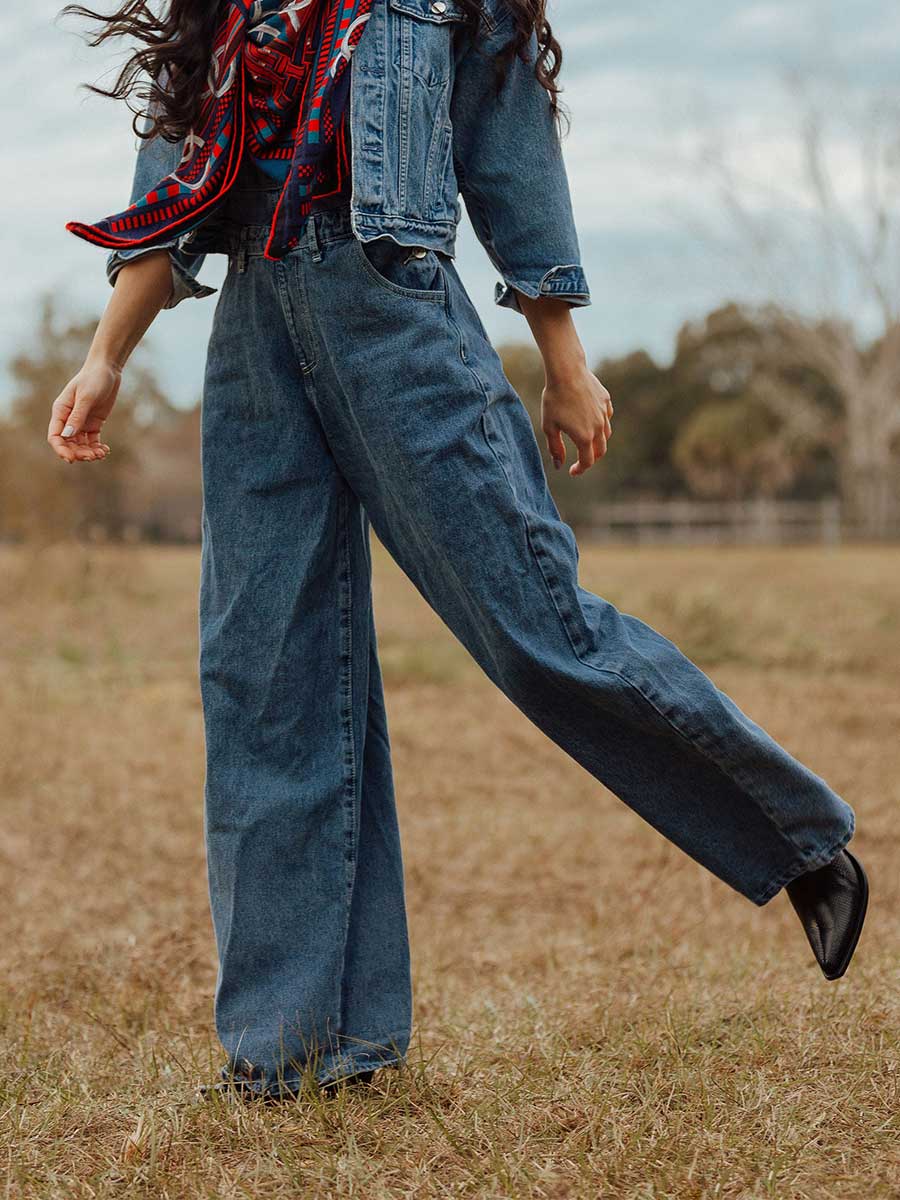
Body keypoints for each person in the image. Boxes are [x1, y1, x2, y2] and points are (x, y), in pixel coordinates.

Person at [50, 0, 868, 1102]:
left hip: (397, 312)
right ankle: (293, 1050)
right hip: (255, 333)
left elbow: (511, 156)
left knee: (536, 624)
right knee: (265, 680)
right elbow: (167, 198)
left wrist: (564, 359)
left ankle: (798, 840)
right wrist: (106, 359)